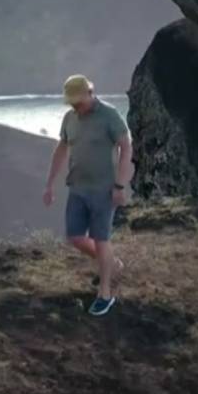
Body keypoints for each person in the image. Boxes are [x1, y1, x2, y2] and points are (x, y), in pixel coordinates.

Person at [43, 75, 132, 316]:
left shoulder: (109, 115)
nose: (75, 107)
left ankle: (105, 293)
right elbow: (62, 148)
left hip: (103, 189)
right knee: (74, 237)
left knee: (101, 239)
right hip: (77, 188)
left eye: (78, 102)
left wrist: (120, 185)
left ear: (90, 93)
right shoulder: (69, 118)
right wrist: (50, 183)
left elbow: (126, 146)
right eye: (71, 103)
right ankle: (111, 264)